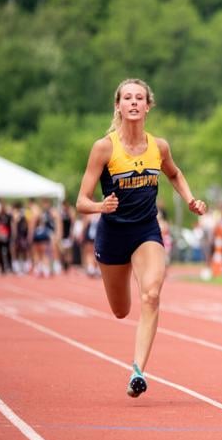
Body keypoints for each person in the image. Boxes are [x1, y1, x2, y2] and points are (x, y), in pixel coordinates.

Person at [76, 78, 206, 398]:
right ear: (118, 106)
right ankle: (131, 340)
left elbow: (173, 173)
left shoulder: (158, 146)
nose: (133, 103)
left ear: (148, 106)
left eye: (139, 98)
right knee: (121, 310)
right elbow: (80, 200)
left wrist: (190, 199)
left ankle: (137, 370)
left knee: (151, 295)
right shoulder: (104, 147)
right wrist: (98, 206)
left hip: (146, 230)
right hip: (113, 234)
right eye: (127, 98)